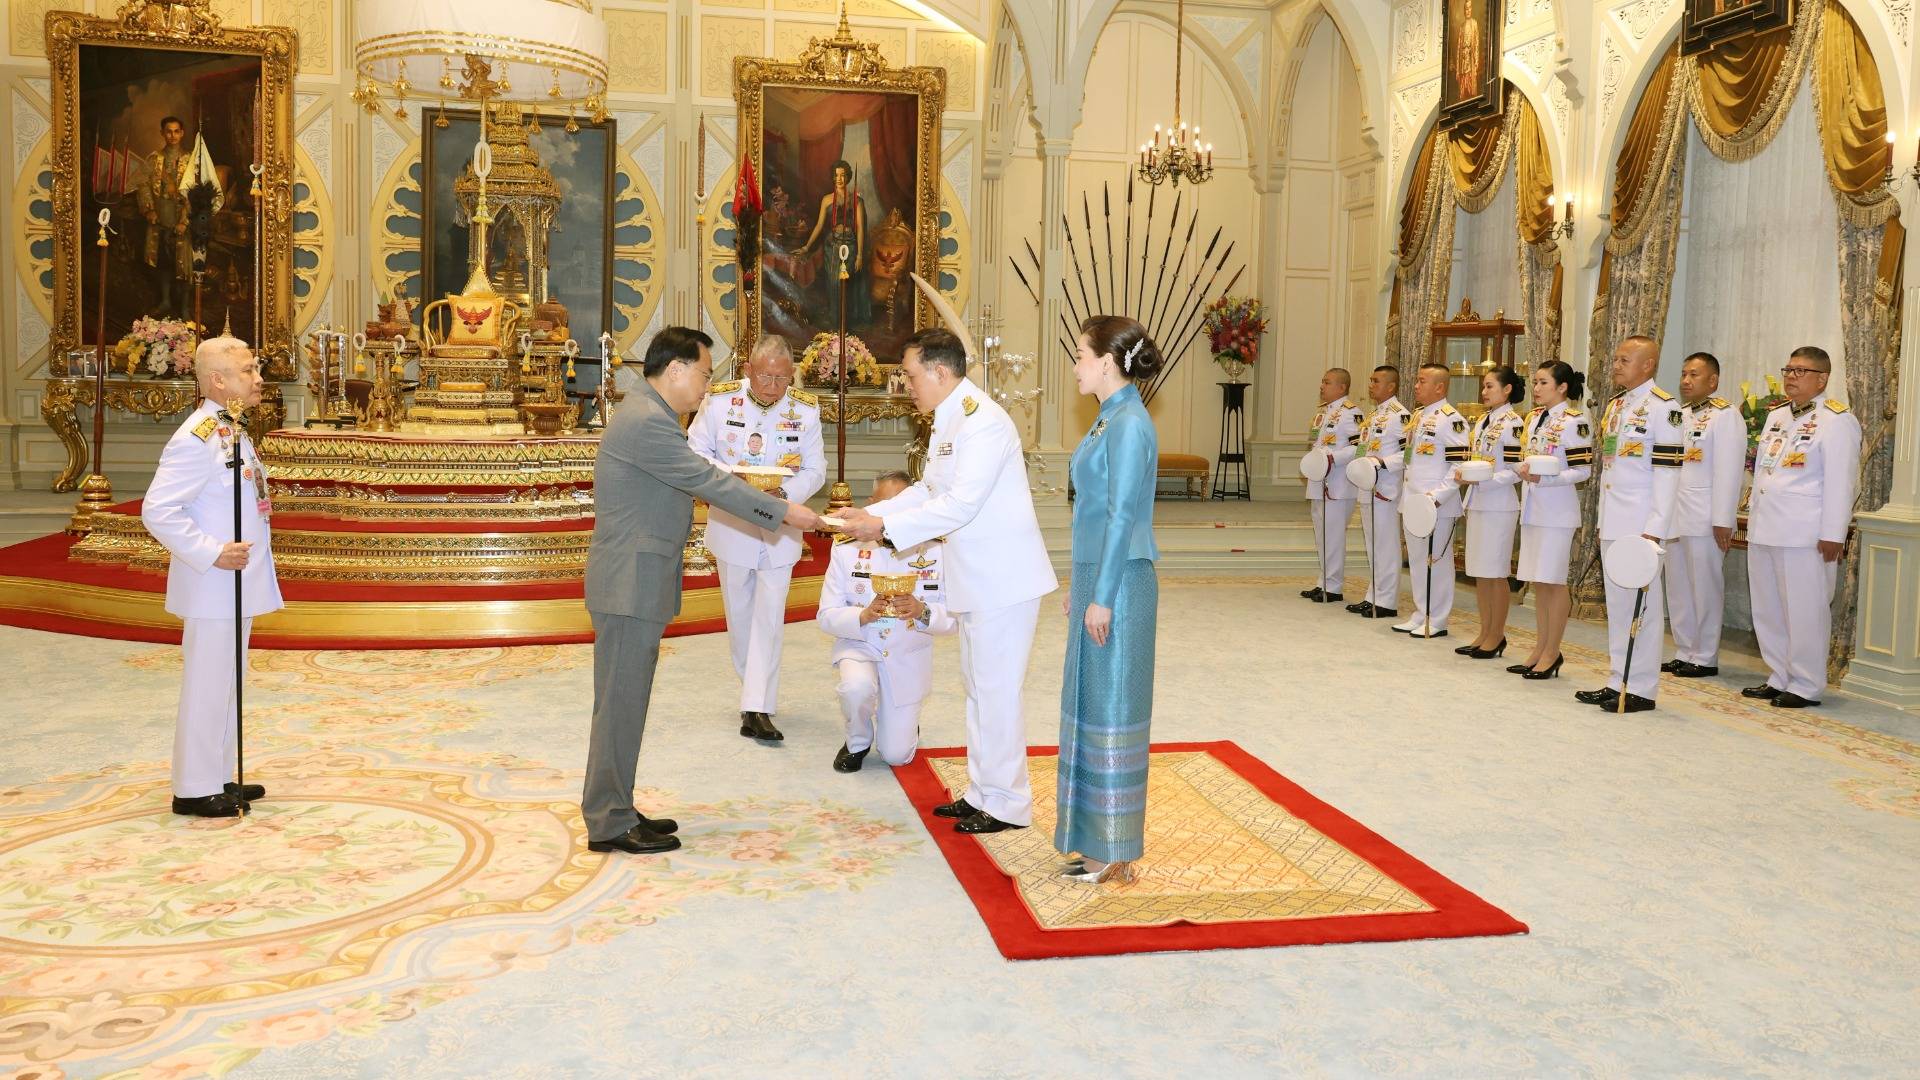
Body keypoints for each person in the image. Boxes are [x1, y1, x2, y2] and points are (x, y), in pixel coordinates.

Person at [582, 327, 821, 855]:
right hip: (629, 583)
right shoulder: (648, 422)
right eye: (703, 372)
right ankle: (608, 818)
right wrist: (786, 513)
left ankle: (615, 804)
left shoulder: (653, 415)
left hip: (635, 579)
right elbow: (708, 480)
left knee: (624, 699)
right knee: (620, 702)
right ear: (675, 371)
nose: (707, 385)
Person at [836, 328, 1058, 835]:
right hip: (977, 578)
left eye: (911, 375)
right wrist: (871, 513)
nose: (905, 385)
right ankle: (984, 791)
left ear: (939, 371)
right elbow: (929, 491)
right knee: (979, 688)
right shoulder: (949, 419)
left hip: (1003, 579)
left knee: (997, 691)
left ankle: (1008, 804)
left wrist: (883, 529)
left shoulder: (983, 423)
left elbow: (960, 505)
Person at [141, 336, 280, 818]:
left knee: (226, 681)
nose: (258, 377)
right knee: (207, 682)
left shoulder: (231, 426)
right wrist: (211, 553)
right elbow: (157, 510)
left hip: (233, 584)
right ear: (218, 380)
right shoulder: (196, 436)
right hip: (214, 581)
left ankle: (219, 774)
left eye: (255, 368)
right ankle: (193, 788)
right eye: (247, 370)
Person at [1055, 316, 1160, 886]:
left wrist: (1104, 596)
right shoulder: (1109, 418)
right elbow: (1092, 514)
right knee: (1091, 700)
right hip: (1100, 574)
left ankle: (1116, 848)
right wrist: (1082, 581)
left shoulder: (1129, 424)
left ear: (1106, 362)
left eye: (1080, 354)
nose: (1075, 364)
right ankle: (1096, 842)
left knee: (1113, 704)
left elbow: (1123, 516)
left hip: (1122, 581)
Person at [687, 335, 826, 743]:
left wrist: (784, 496)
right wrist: (736, 484)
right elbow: (696, 452)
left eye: (782, 379)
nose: (772, 386)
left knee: (769, 617)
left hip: (781, 530)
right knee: (741, 616)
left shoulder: (805, 411)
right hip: (733, 524)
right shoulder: (718, 402)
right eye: (765, 376)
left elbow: (815, 470)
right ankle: (754, 696)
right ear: (748, 370)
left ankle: (757, 707)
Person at [1743, 346, 1861, 709]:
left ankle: (1806, 684)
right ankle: (1779, 675)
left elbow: (1843, 482)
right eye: (1788, 369)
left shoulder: (1837, 421)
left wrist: (1833, 534)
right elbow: (1764, 472)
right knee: (1768, 607)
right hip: (1766, 527)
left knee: (1805, 609)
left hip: (1805, 533)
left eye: (1801, 371)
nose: (1791, 376)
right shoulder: (1776, 416)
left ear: (1822, 378)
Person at [818, 470, 955, 771]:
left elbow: (955, 620)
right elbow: (826, 616)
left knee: (896, 756)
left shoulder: (938, 549)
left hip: (907, 654)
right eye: (885, 508)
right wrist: (862, 616)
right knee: (856, 689)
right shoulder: (846, 547)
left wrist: (922, 611)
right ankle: (857, 740)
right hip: (860, 645)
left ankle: (904, 722)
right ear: (872, 506)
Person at [1575, 335, 1684, 714]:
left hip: (1641, 524)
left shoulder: (1664, 409)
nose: (1616, 364)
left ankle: (1642, 689)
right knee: (1619, 606)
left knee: (1645, 609)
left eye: (1624, 359)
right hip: (1614, 519)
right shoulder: (1617, 405)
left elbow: (1668, 475)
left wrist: (1654, 528)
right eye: (1616, 358)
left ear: (1648, 365)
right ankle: (1617, 679)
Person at [1661, 352, 1746, 679]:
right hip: (1675, 514)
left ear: (1712, 381)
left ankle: (1706, 655)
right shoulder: (1677, 414)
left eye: (1694, 375)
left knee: (1705, 585)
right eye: (1683, 374)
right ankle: (1685, 649)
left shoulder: (1725, 416)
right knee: (1678, 584)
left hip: (1704, 515)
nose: (1685, 380)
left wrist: (1723, 518)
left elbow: (1729, 470)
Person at [1508, 361, 1592, 680]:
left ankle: (1553, 651)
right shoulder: (1533, 418)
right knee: (1539, 582)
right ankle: (1540, 647)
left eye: (1543, 382)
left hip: (1557, 511)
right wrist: (1522, 470)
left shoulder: (1575, 420)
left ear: (1562, 387)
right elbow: (1526, 459)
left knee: (1554, 581)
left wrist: (1546, 479)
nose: (1537, 388)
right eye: (1535, 382)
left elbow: (1583, 470)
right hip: (1533, 507)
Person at [1395, 362, 1470, 638]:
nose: (1416, 385)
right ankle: (1420, 612)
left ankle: (1437, 618)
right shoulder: (1417, 416)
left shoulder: (1452, 419)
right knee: (1415, 559)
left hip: (1437, 503)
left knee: (1436, 561)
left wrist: (1436, 497)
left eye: (1422, 381)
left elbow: (1458, 466)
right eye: (1417, 380)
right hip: (1414, 501)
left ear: (1440, 387)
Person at [1454, 366, 1525, 659]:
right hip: (1478, 501)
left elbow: (1516, 471)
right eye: (1483, 387)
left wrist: (1487, 481)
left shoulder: (1513, 423)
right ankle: (1484, 631)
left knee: (1496, 573)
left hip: (1499, 503)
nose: (1484, 392)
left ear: (1507, 390)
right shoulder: (1483, 420)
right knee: (1480, 574)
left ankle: (1497, 635)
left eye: (1490, 386)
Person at [1347, 365, 1411, 620]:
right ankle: (1373, 596)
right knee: (1373, 544)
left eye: (1376, 381)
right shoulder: (1374, 415)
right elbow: (1364, 448)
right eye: (1371, 380)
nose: (1371, 385)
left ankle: (1387, 601)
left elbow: (1407, 454)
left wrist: (1381, 464)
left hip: (1385, 486)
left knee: (1386, 545)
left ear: (1391, 386)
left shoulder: (1400, 415)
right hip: (1367, 486)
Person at [1301, 368, 1365, 604]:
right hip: (1319, 481)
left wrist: (1332, 458)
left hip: (1338, 483)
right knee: (1322, 534)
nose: (1322, 386)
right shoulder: (1323, 413)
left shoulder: (1352, 413)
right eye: (1322, 381)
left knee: (1334, 535)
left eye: (1327, 382)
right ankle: (1324, 581)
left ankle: (1334, 587)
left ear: (1341, 387)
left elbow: (1359, 447)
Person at [138, 115, 192, 318]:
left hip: (181, 218)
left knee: (184, 264)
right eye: (168, 131)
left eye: (177, 131)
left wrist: (184, 221)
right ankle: (166, 301)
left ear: (182, 133)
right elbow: (142, 184)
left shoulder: (191, 160)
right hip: (160, 217)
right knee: (164, 262)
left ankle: (186, 308)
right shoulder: (154, 159)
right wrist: (149, 208)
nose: (173, 135)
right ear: (162, 133)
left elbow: (196, 192)